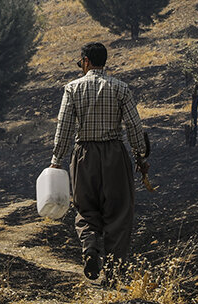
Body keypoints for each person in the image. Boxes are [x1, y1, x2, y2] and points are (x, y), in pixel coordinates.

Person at [50, 42, 149, 281]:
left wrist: (56, 160)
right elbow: (134, 126)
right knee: (119, 213)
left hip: (84, 156)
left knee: (85, 209)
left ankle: (90, 249)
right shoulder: (120, 88)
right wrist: (141, 155)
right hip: (115, 155)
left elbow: (64, 128)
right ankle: (114, 273)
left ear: (85, 61)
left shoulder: (72, 89)